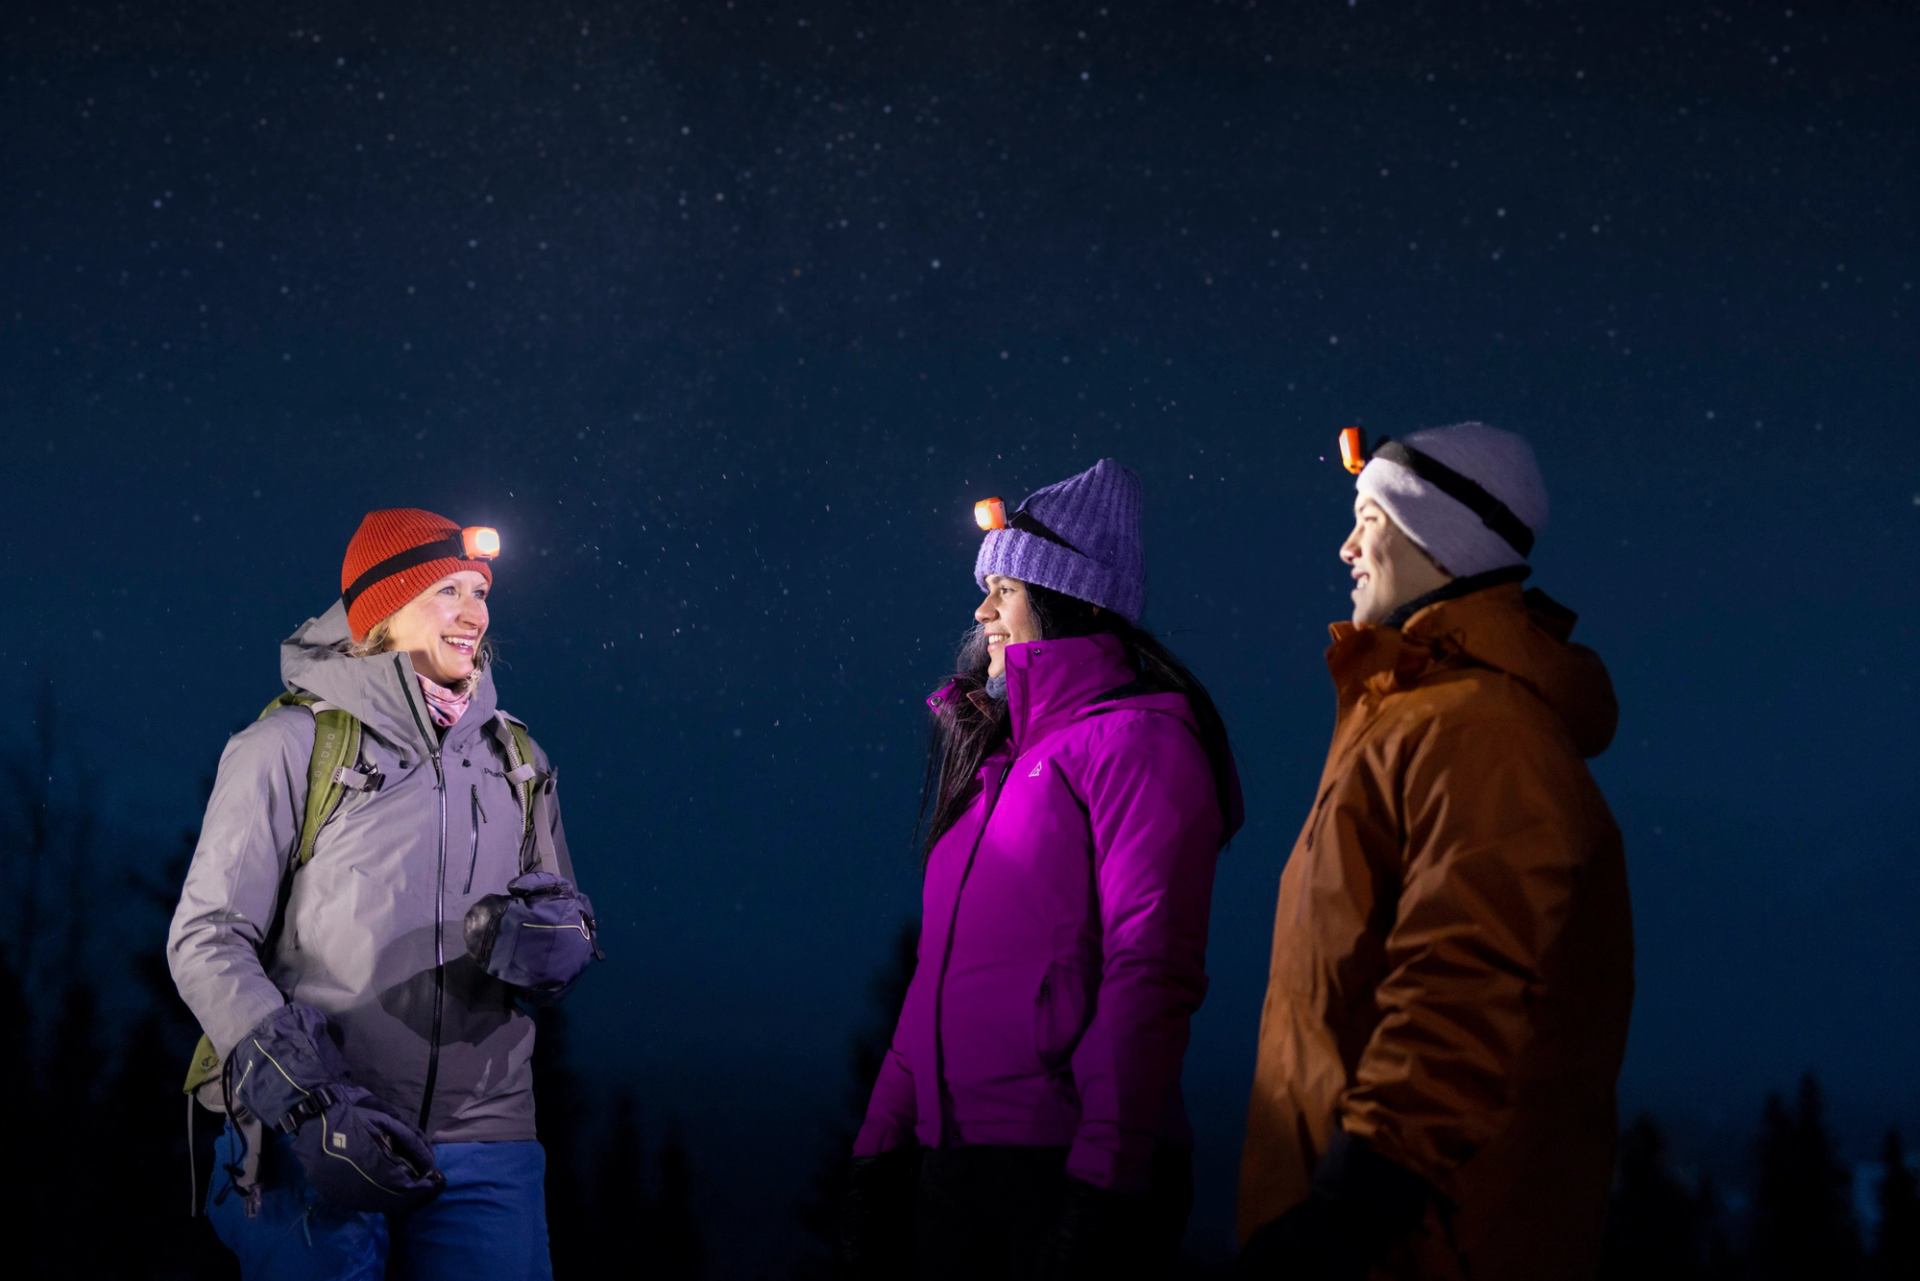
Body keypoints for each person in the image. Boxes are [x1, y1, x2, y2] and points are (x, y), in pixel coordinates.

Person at [1236, 423, 1634, 1281]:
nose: (1345, 546)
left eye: (1368, 517)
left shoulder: (1483, 729)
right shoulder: (1409, 713)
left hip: (1419, 1245)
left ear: (1439, 537)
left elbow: (1463, 986)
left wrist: (1352, 1206)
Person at [168, 507, 597, 1281]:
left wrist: (560, 940)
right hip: (323, 1133)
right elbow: (205, 937)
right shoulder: (290, 746)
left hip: (487, 1142)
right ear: (384, 612)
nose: (477, 613)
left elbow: (562, 905)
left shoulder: (520, 758)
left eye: (480, 591)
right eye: (448, 592)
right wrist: (306, 1100)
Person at [842, 458, 1243, 1279]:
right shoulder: (996, 763)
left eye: (1006, 590)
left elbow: (1150, 968)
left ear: (1072, 600)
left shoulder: (1140, 743)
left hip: (1063, 1162)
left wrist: (1105, 1176)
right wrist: (882, 1141)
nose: (982, 611)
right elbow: (937, 978)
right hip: (957, 1159)